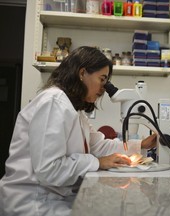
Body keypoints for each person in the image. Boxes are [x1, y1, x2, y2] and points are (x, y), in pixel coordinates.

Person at [0, 46, 157, 216]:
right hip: (34, 202)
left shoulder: (75, 110)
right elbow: (49, 169)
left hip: (54, 196)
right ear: (82, 73)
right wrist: (97, 162)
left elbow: (98, 145)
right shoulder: (53, 102)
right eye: (102, 79)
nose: (104, 88)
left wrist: (140, 144)